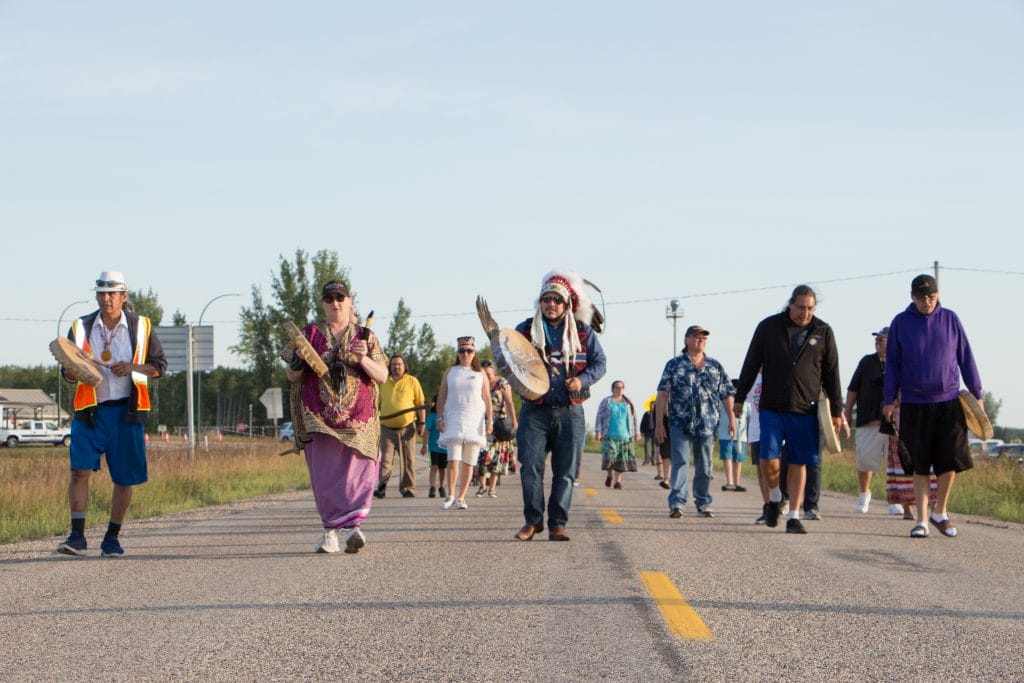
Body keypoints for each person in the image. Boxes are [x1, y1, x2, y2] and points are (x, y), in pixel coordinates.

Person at [56, 271, 167, 557]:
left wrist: (131, 367)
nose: (106, 299)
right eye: (101, 293)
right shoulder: (80, 327)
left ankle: (111, 538)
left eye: (112, 293)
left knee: (124, 479)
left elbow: (159, 367)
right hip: (89, 411)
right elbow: (67, 371)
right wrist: (71, 370)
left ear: (123, 296)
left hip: (126, 413)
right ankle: (77, 537)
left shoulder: (141, 326)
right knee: (80, 470)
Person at [282, 281, 388, 554]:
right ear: (322, 303)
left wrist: (362, 359)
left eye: (340, 297)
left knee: (358, 474)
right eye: (329, 298)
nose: (335, 303)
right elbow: (292, 375)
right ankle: (329, 532)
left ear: (350, 301)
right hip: (319, 416)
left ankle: (354, 528)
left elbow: (383, 376)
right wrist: (299, 361)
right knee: (326, 475)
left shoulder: (366, 336)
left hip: (359, 419)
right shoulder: (309, 334)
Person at [734, 285, 843, 534]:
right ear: (790, 304)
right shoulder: (768, 327)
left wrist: (837, 411)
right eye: (801, 307)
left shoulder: (822, 331)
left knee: (799, 462)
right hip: (773, 407)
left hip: (805, 409)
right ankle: (774, 498)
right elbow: (751, 363)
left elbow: (832, 373)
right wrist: (740, 397)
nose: (805, 313)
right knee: (768, 460)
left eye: (810, 308)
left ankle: (794, 515)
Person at [883, 274, 982, 539]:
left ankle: (941, 511)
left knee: (950, 461)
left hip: (948, 402)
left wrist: (977, 392)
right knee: (919, 464)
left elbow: (965, 356)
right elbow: (892, 364)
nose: (926, 302)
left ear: (937, 295)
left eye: (931, 297)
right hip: (914, 403)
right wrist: (888, 399)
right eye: (920, 298)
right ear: (912, 298)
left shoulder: (950, 319)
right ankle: (922, 520)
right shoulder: (900, 323)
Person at [512, 269, 606, 542]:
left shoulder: (582, 332)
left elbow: (600, 363)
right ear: (540, 302)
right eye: (546, 299)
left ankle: (557, 523)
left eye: (557, 300)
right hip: (534, 411)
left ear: (567, 305)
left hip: (570, 411)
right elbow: (510, 361)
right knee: (530, 466)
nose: (551, 304)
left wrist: (582, 380)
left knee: (565, 471)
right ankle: (532, 522)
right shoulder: (525, 329)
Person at [655, 325, 736, 519]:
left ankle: (703, 501)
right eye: (696, 337)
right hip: (679, 422)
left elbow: (726, 394)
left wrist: (731, 419)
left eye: (704, 338)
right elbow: (663, 393)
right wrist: (659, 423)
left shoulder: (715, 366)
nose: (700, 340)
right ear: (686, 340)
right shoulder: (674, 365)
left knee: (705, 465)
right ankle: (677, 503)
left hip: (707, 424)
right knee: (681, 462)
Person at [436, 337, 492, 510]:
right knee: (453, 460)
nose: (465, 354)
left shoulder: (480, 373)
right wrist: (439, 417)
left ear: (474, 353)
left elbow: (487, 398)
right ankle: (451, 494)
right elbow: (442, 396)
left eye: (469, 351)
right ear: (457, 353)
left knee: (469, 461)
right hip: (454, 418)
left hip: (475, 420)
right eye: (462, 351)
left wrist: (490, 420)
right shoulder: (450, 372)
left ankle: (461, 497)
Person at [844, 326, 890, 513]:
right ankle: (864, 493)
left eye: (882, 339)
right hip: (868, 420)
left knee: (896, 464)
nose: (877, 342)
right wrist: (846, 411)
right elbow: (853, 388)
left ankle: (894, 499)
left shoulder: (901, 362)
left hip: (892, 423)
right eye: (877, 339)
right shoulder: (866, 362)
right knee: (864, 461)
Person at [377, 354, 426, 498]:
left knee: (408, 459)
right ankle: (382, 487)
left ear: (404, 366)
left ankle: (408, 489)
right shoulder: (383, 382)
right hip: (386, 427)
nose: (396, 366)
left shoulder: (412, 381)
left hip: (407, 427)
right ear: (389, 367)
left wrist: (421, 423)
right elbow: (377, 405)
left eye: (399, 364)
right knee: (386, 459)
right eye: (393, 364)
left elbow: (420, 403)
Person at [479, 359, 518, 497]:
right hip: (482, 424)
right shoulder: (478, 383)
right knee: (482, 457)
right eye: (484, 373)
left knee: (497, 457)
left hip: (500, 425)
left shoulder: (502, 383)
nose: (487, 376)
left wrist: (514, 421)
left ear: (493, 371)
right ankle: (482, 486)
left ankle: (492, 488)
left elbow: (510, 402)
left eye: (488, 374)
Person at [595, 380, 639, 489]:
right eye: (617, 387)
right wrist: (598, 431)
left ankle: (618, 482)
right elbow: (599, 416)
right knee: (610, 457)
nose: (619, 389)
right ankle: (609, 475)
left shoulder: (628, 403)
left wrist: (637, 433)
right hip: (609, 435)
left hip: (625, 436)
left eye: (621, 387)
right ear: (612, 389)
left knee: (621, 460)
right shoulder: (606, 401)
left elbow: (634, 418)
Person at [719, 379, 748, 492]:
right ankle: (730, 482)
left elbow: (749, 418)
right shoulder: (723, 400)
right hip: (725, 433)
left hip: (741, 436)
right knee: (727, 457)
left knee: (738, 459)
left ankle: (737, 482)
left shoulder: (746, 403)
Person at [421, 396, 448, 499]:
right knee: (434, 467)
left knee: (443, 469)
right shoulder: (432, 417)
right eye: (438, 403)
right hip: (434, 447)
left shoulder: (448, 416)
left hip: (445, 447)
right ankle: (432, 487)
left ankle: (442, 487)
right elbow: (427, 431)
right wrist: (424, 445)